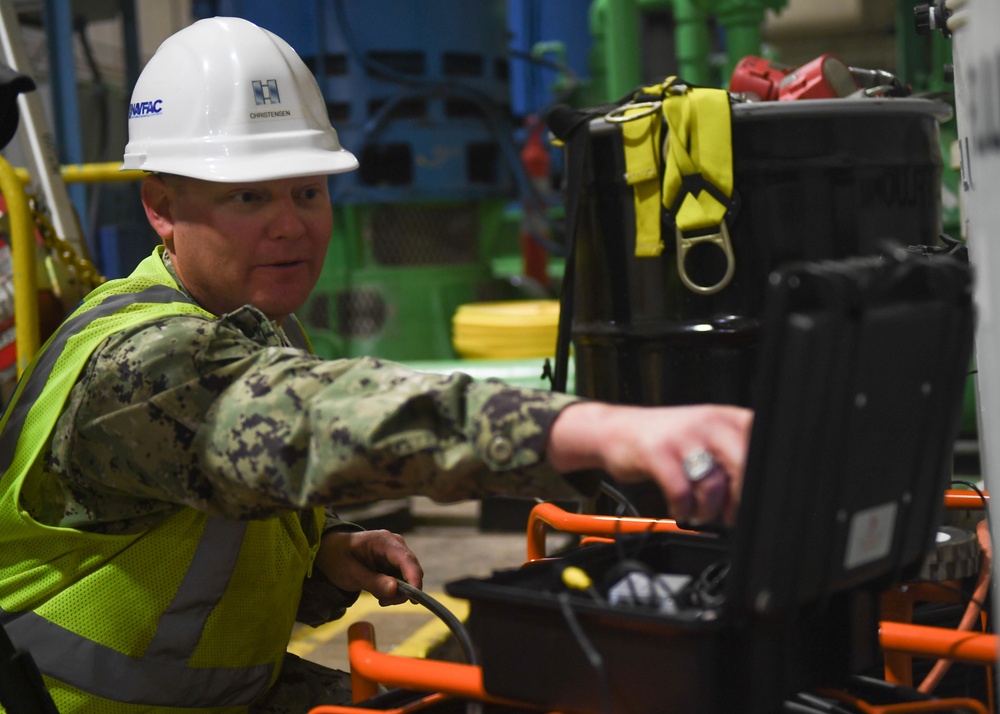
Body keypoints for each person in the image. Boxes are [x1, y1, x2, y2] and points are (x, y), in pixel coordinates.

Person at [0, 16, 752, 714]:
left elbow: (183, 560)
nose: (291, 224)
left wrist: (325, 555)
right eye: (250, 196)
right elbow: (316, 419)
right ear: (162, 207)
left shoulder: (262, 329)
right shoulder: (142, 364)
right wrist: (595, 430)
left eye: (308, 191)